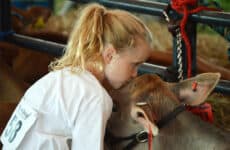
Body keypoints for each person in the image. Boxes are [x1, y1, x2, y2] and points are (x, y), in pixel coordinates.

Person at [1, 3, 154, 150]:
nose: (135, 74)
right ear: (109, 55)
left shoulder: (63, 77)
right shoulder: (94, 97)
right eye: (134, 64)